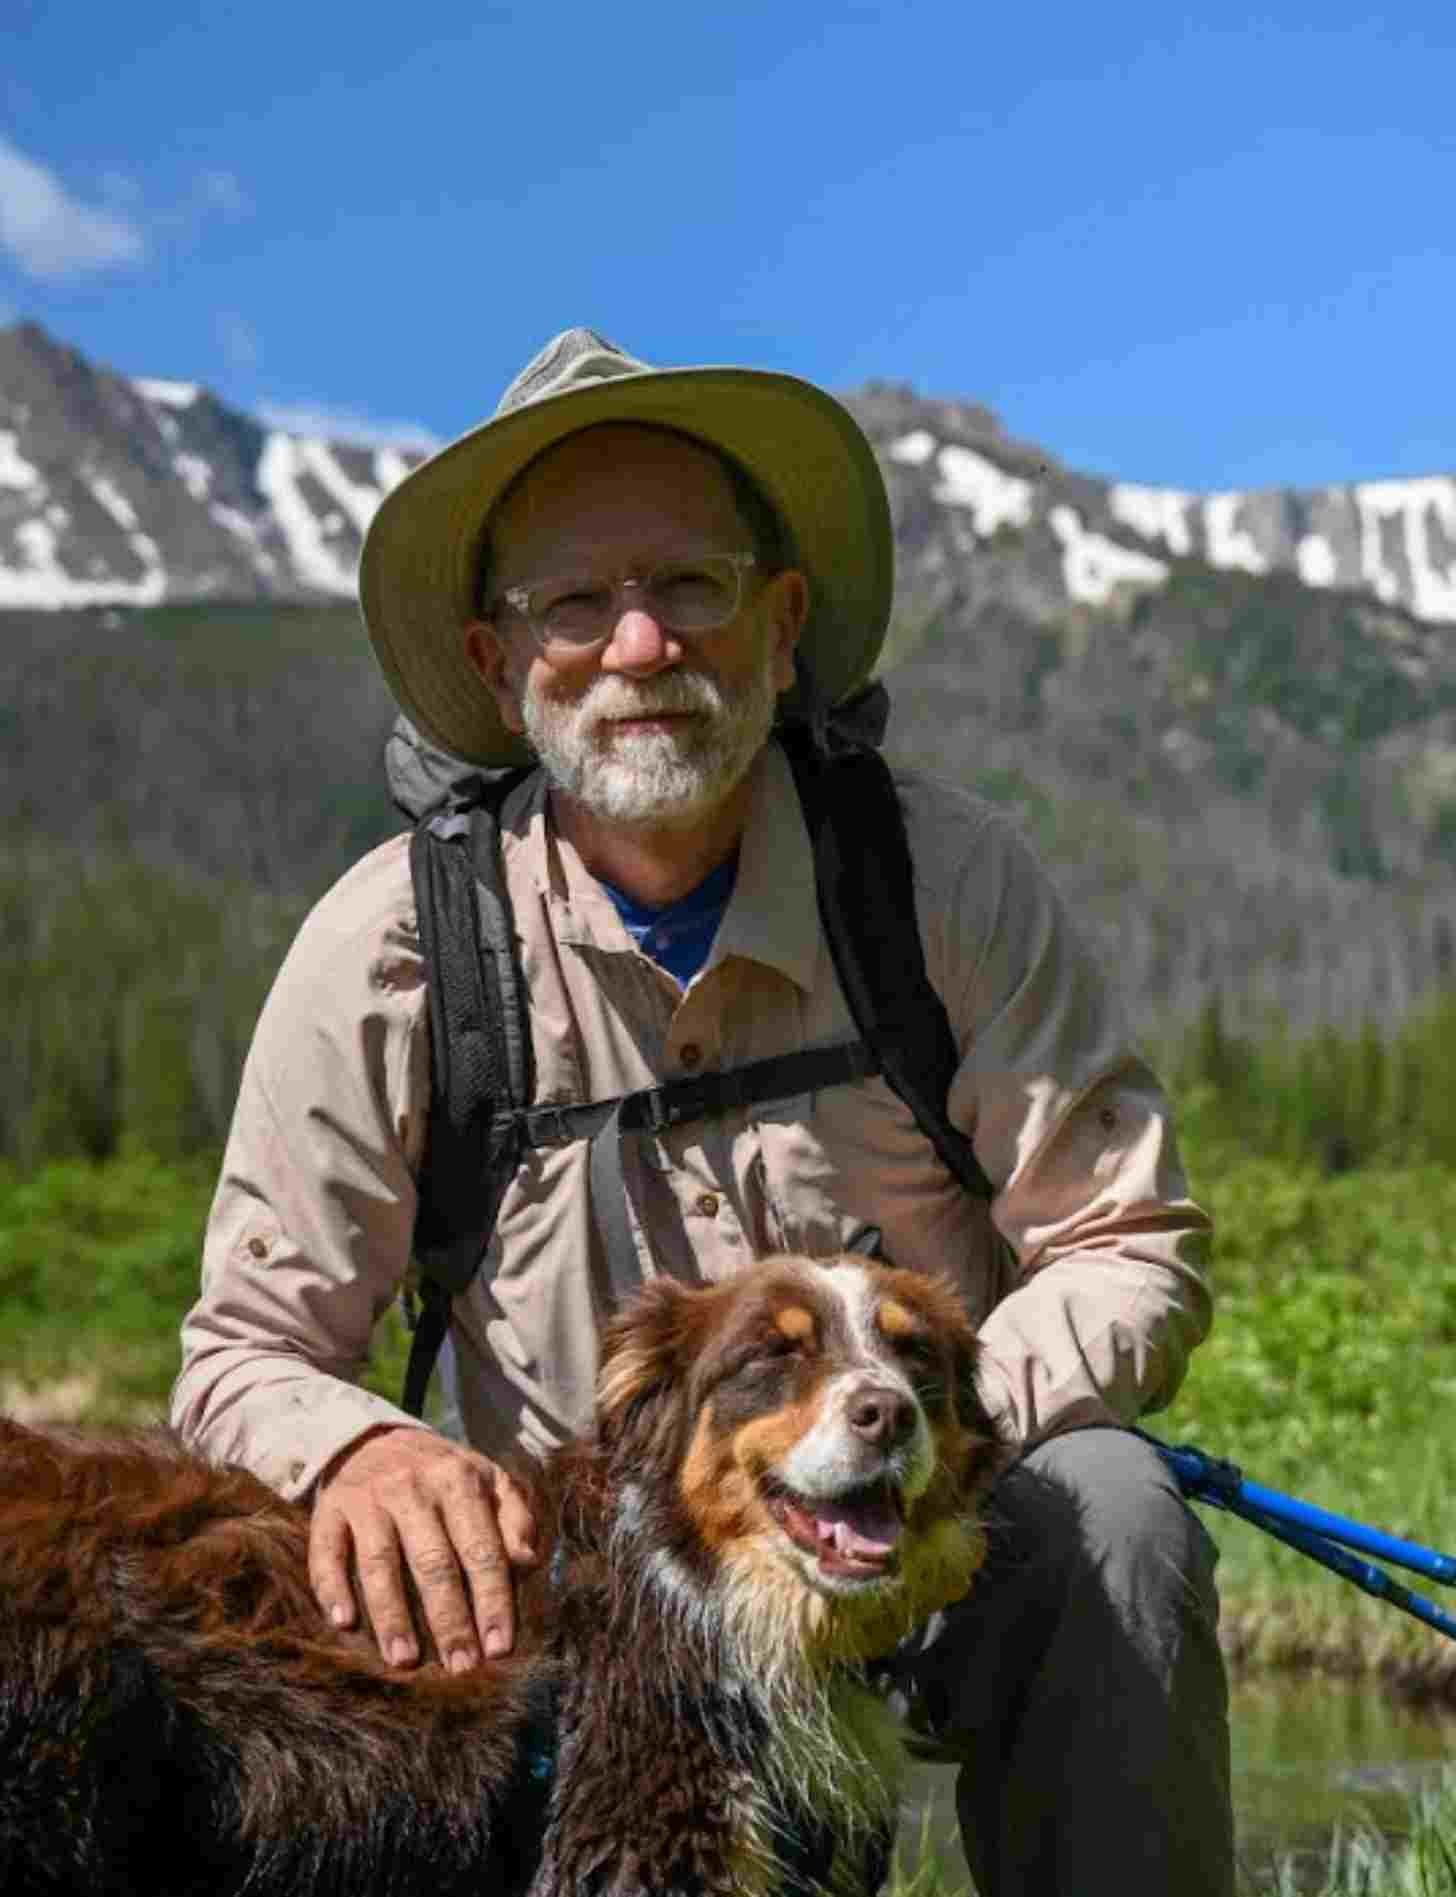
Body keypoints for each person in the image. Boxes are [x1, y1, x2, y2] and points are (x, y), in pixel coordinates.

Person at [172, 328, 1232, 1894]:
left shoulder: (941, 881)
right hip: (589, 1606)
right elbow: (243, 1353)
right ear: (494, 659)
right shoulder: (388, 947)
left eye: (693, 585)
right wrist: (354, 1454)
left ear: (784, 623)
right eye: (575, 604)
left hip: (937, 1534)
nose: (641, 645)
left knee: (1124, 1512)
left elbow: (1126, 1240)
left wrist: (931, 1427)